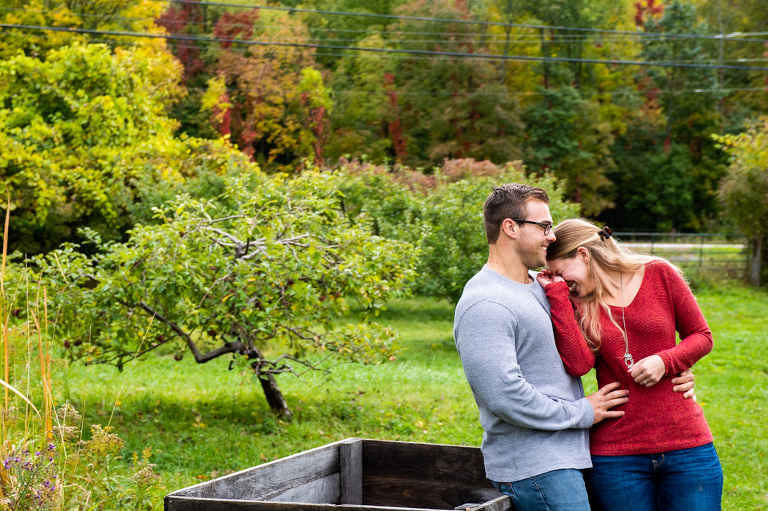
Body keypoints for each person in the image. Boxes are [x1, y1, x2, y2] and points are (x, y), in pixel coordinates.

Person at [454, 184, 694, 511]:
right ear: (510, 227)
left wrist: (672, 364)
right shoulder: (485, 303)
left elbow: (590, 350)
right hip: (536, 464)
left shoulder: (540, 287)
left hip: (567, 457)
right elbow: (504, 396)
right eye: (544, 226)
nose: (552, 236)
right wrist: (581, 412)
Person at [536, 218, 723, 511]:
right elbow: (579, 364)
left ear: (584, 254)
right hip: (616, 455)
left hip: (686, 445)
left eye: (562, 273)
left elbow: (702, 335)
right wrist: (558, 296)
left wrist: (666, 361)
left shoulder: (659, 273)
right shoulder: (576, 300)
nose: (562, 282)